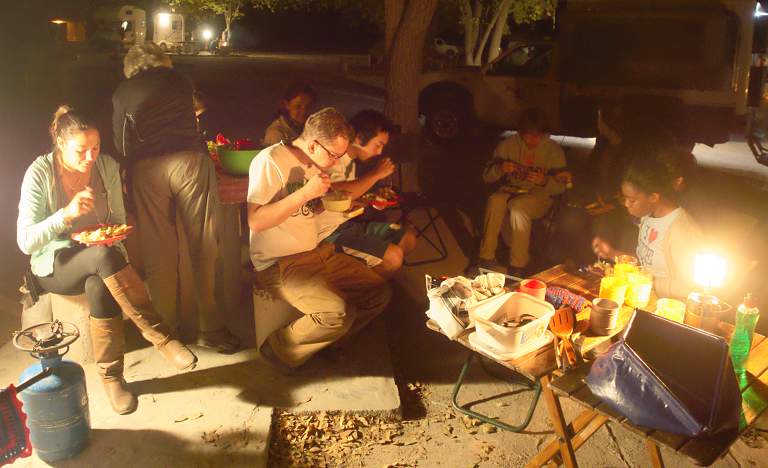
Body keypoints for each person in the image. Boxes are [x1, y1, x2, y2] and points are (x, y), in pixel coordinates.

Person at [17, 107, 197, 415]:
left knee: (99, 284)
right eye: (81, 151)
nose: (90, 157)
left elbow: (117, 222)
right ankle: (162, 337)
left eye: (96, 147)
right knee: (102, 257)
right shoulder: (39, 173)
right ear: (60, 144)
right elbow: (26, 241)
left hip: (101, 258)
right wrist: (65, 215)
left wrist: (111, 240)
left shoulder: (106, 167)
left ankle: (112, 379)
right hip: (55, 263)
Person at [112, 43, 238, 352]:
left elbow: (121, 144)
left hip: (146, 169)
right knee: (204, 244)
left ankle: (166, 330)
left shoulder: (122, 92)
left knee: (159, 252)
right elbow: (193, 114)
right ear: (161, 61)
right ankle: (212, 328)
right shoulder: (179, 80)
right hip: (188, 161)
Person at [248, 107, 392, 370]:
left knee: (377, 292)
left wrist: (329, 207)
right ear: (313, 145)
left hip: (316, 252)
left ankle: (330, 344)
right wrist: (305, 194)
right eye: (334, 155)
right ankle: (277, 351)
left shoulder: (313, 164)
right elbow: (256, 221)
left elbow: (306, 212)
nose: (337, 163)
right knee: (336, 312)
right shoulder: (270, 161)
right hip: (280, 263)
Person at [592, 148, 704, 300]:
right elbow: (646, 264)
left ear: (653, 197)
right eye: (625, 198)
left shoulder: (681, 230)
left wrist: (647, 281)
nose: (626, 204)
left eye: (632, 200)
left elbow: (691, 287)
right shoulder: (648, 217)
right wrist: (612, 253)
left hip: (665, 306)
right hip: (640, 296)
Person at [317, 109, 417, 277]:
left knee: (408, 237)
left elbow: (347, 198)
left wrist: (367, 202)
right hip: (330, 233)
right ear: (358, 138)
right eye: (378, 145)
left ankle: (372, 273)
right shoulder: (333, 159)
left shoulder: (351, 163)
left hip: (347, 225)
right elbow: (333, 193)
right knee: (394, 257)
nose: (379, 152)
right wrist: (376, 174)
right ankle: (365, 281)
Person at [475, 108, 567, 276]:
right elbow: (487, 176)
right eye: (528, 136)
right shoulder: (508, 145)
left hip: (539, 196)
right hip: (513, 190)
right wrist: (500, 169)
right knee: (495, 200)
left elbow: (562, 187)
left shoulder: (553, 150)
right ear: (520, 132)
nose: (532, 140)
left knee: (518, 206)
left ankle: (518, 265)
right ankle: (485, 257)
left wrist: (544, 181)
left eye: (537, 136)